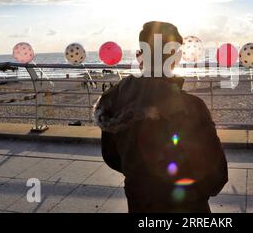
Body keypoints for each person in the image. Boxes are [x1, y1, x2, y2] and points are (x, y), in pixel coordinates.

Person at [94, 21, 228, 213]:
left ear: (142, 54)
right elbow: (216, 175)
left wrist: (139, 177)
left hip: (139, 200)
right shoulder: (190, 107)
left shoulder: (114, 99)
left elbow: (111, 156)